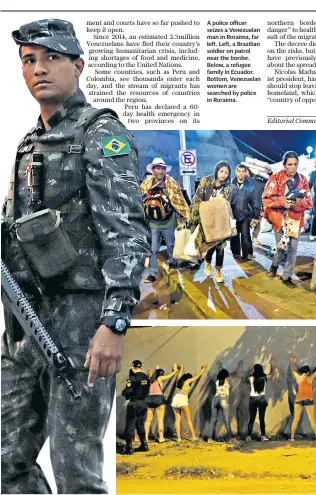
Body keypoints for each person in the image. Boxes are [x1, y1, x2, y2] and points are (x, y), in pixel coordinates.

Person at [1, 19, 150, 494]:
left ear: (78, 65)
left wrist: (115, 323)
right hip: (26, 322)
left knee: (77, 472)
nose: (39, 69)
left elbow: (125, 231)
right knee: (6, 462)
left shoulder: (101, 132)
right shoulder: (30, 142)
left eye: (51, 58)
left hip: (83, 324)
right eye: (29, 60)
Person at [262, 151, 313, 288]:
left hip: (296, 220)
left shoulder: (303, 180)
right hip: (279, 220)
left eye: (295, 164)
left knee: (293, 249)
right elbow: (266, 199)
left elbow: (309, 203)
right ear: (284, 165)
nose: (293, 167)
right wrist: (282, 202)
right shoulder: (275, 178)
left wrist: (295, 202)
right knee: (282, 248)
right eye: (290, 164)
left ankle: (287, 276)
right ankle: (274, 266)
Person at [141, 157, 190, 283]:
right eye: (157, 168)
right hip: (153, 223)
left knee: (171, 245)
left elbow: (179, 200)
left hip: (168, 221)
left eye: (162, 168)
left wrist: (186, 216)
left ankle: (172, 263)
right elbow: (141, 201)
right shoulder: (146, 184)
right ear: (153, 170)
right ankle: (152, 273)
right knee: (153, 249)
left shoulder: (172, 183)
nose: (160, 171)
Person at [189, 161, 234, 283]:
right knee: (209, 246)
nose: (223, 174)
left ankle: (218, 271)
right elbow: (197, 198)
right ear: (217, 170)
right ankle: (208, 263)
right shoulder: (206, 181)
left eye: (226, 172)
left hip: (220, 220)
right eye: (221, 171)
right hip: (206, 220)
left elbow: (226, 204)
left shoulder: (228, 187)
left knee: (220, 247)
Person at [288, 353, 316, 441]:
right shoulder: (310, 378)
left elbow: (292, 369)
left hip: (298, 400)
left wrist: (292, 361)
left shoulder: (298, 377)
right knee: (312, 419)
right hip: (309, 400)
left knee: (296, 419)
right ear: (308, 372)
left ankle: (292, 438)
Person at [171, 362, 208, 442]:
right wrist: (203, 369)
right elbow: (197, 376)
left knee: (177, 420)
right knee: (188, 420)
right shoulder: (188, 381)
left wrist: (181, 368)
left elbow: (179, 374)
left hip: (175, 399)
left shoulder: (179, 380)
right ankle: (193, 436)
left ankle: (178, 438)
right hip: (183, 399)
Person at [145, 363, 179, 443]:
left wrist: (157, 368)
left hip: (150, 399)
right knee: (160, 420)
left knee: (148, 420)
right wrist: (175, 371)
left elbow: (155, 373)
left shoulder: (149, 379)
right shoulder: (160, 378)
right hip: (159, 399)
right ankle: (161, 438)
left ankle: (145, 438)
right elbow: (169, 376)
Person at [231, 163, 259, 260]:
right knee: (234, 235)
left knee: (245, 235)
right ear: (236, 172)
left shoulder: (250, 186)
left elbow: (254, 202)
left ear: (245, 172)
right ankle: (236, 253)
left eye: (243, 171)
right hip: (233, 215)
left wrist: (256, 216)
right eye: (239, 171)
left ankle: (247, 254)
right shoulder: (230, 184)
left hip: (245, 215)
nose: (241, 174)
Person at [122, 360, 150, 455]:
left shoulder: (133, 378)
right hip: (143, 403)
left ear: (133, 367)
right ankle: (144, 444)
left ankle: (129, 448)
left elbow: (127, 392)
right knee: (140, 424)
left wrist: (124, 392)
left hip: (134, 403)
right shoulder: (146, 377)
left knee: (130, 424)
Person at [246, 359, 277, 442]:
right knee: (261, 418)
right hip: (262, 399)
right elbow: (272, 374)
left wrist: (251, 367)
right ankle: (263, 436)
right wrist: (272, 365)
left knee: (251, 419)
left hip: (253, 399)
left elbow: (248, 374)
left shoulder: (251, 378)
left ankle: (248, 436)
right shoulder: (264, 377)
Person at [206, 368, 233, 442]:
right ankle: (229, 439)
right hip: (223, 399)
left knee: (213, 419)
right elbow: (232, 376)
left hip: (215, 399)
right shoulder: (227, 380)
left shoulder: (217, 381)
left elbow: (214, 376)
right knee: (226, 420)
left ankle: (209, 438)